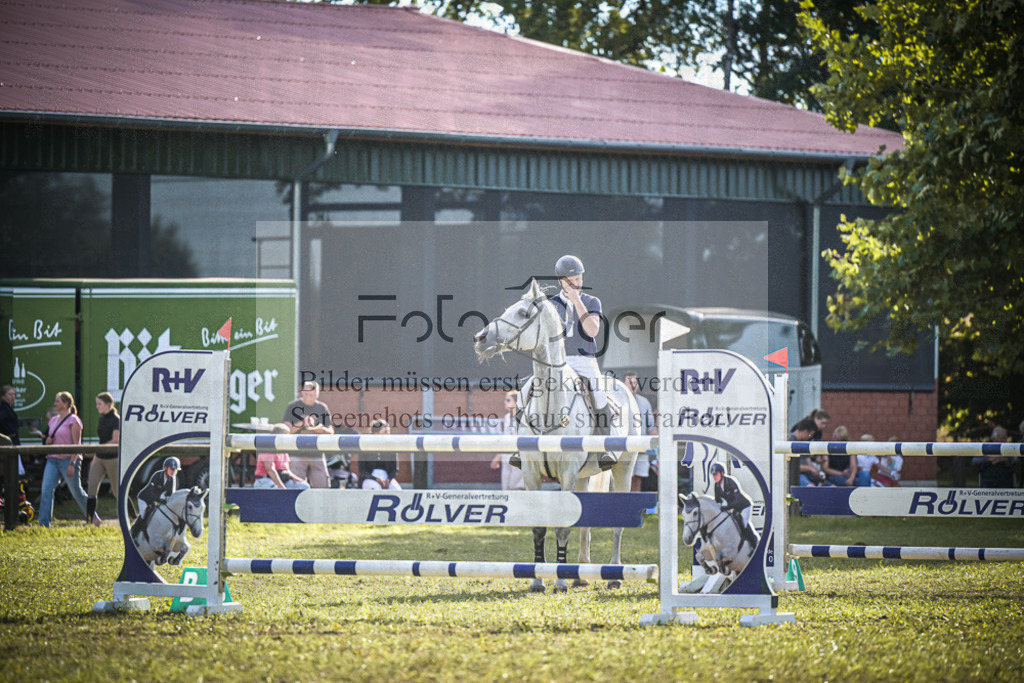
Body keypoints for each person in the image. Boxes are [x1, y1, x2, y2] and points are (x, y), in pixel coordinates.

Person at [548, 254, 616, 470]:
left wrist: (576, 300)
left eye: (579, 279)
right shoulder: (551, 304)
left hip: (584, 360)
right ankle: (523, 446)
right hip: (559, 361)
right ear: (561, 281)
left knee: (598, 394)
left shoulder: (591, 301)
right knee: (531, 389)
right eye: (572, 280)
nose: (577, 283)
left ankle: (608, 448)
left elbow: (593, 330)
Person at [37, 391, 89, 527]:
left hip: (68, 460)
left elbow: (76, 444)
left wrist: (72, 463)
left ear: (66, 404)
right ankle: (44, 524)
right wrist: (48, 441)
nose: (55, 404)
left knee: (76, 492)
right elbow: (51, 440)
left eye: (58, 401)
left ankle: (92, 517)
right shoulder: (53, 421)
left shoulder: (74, 420)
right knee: (46, 490)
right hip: (52, 460)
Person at [282, 381, 333, 488]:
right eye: (307, 394)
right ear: (302, 392)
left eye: (313, 395)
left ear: (317, 394)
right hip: (296, 453)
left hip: (317, 453)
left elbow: (331, 431)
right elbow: (285, 429)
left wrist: (321, 429)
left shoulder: (322, 408)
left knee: (322, 485)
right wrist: (301, 423)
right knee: (295, 486)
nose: (310, 397)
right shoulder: (293, 406)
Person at [86, 392, 120, 526]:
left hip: (113, 458)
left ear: (108, 404)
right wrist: (95, 456)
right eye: (96, 403)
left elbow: (115, 440)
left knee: (118, 492)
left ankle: (133, 516)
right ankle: (89, 521)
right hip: (100, 457)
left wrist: (97, 448)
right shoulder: (101, 419)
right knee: (91, 488)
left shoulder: (116, 419)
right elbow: (102, 440)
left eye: (99, 404)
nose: (97, 406)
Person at [710, 462, 758, 549]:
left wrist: (726, 507)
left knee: (744, 524)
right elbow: (717, 500)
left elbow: (737, 500)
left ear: (722, 473)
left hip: (744, 506)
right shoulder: (716, 486)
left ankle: (754, 542)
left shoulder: (730, 482)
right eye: (713, 475)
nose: (714, 477)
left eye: (716, 474)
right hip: (733, 508)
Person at [624, 372, 657, 492]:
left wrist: (659, 443)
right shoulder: (618, 401)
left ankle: (634, 509)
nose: (633, 385)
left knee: (638, 479)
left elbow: (651, 427)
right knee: (622, 478)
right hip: (624, 448)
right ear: (624, 384)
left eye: (635, 382)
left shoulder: (644, 402)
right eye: (630, 382)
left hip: (642, 449)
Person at [253, 424, 310, 490]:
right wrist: (281, 487)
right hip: (264, 480)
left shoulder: (283, 450)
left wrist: (297, 479)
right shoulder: (268, 449)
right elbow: (270, 470)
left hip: (282, 480)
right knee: (276, 489)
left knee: (304, 486)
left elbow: (286, 470)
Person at [490, 390, 525, 491]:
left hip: (518, 458)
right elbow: (506, 439)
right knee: (505, 489)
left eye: (508, 400)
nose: (505, 402)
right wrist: (498, 456)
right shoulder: (506, 417)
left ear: (516, 403)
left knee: (516, 488)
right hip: (506, 458)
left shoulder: (522, 418)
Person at [360, 419, 401, 490]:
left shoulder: (391, 447)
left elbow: (394, 469)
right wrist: (375, 479)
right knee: (375, 488)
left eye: (389, 432)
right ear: (376, 433)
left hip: (386, 478)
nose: (388, 434)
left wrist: (389, 479)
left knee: (397, 490)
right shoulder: (366, 446)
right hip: (370, 478)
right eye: (385, 432)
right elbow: (362, 470)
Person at [137, 456, 179, 522]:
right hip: (144, 499)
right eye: (171, 469)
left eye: (174, 470)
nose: (173, 472)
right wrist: (159, 500)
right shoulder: (157, 475)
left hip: (155, 500)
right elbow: (150, 492)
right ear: (165, 468)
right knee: (144, 518)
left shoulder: (172, 479)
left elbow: (171, 494)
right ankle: (135, 530)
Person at [0, 385, 25, 480]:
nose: (13, 396)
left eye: (14, 394)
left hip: (12, 440)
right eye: (10, 394)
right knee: (15, 469)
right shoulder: (5, 409)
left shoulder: (8, 408)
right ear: (3, 396)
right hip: (10, 441)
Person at [792, 417, 826, 486]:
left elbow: (808, 460)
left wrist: (815, 471)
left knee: (828, 485)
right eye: (810, 434)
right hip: (795, 474)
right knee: (811, 487)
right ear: (805, 431)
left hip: (805, 474)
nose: (810, 437)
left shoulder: (803, 442)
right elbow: (791, 467)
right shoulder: (790, 441)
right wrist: (810, 469)